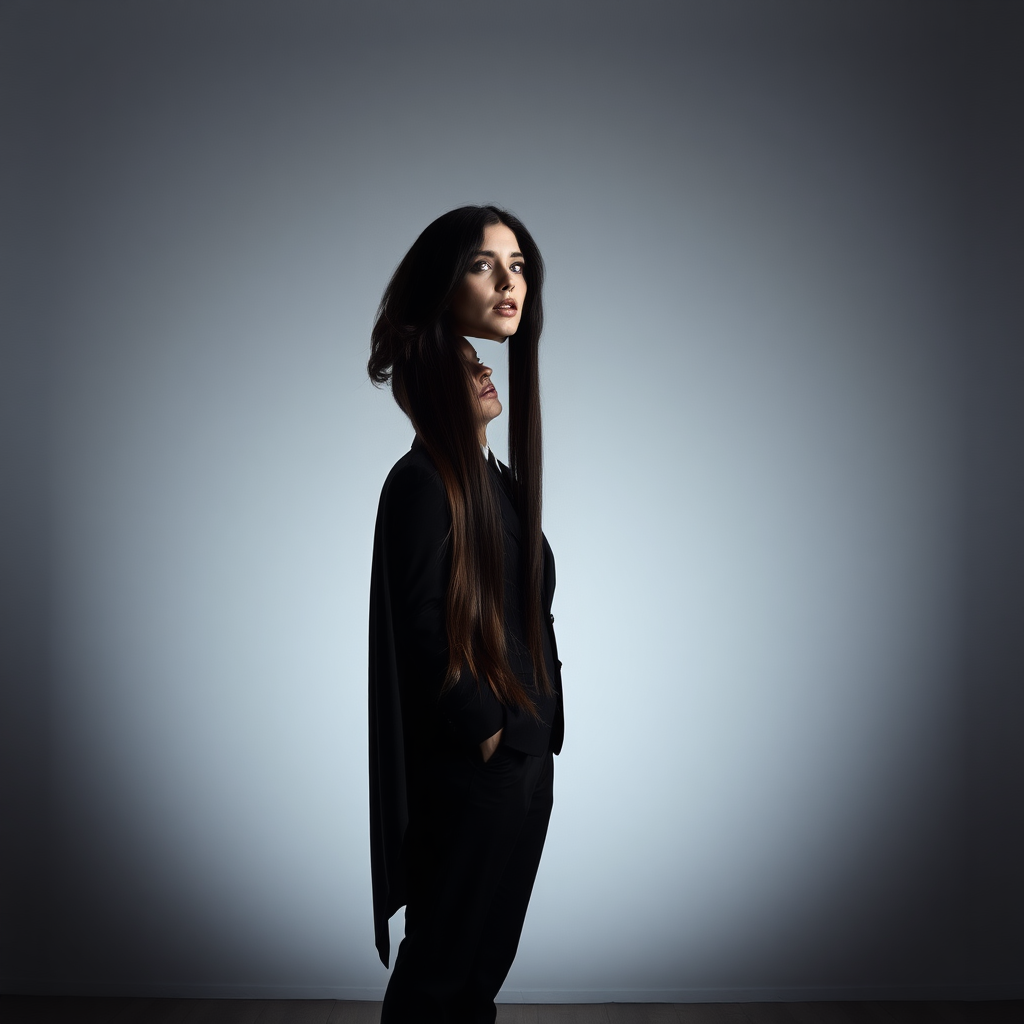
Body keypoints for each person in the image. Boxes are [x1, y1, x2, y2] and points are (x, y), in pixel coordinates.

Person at [367, 205, 564, 1023]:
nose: (509, 281)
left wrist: (530, 736)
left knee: (477, 976)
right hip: (476, 767)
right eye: (485, 265)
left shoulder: (498, 481)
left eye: (517, 264)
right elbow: (419, 624)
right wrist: (485, 727)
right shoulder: (422, 484)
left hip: (524, 759)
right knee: (443, 973)